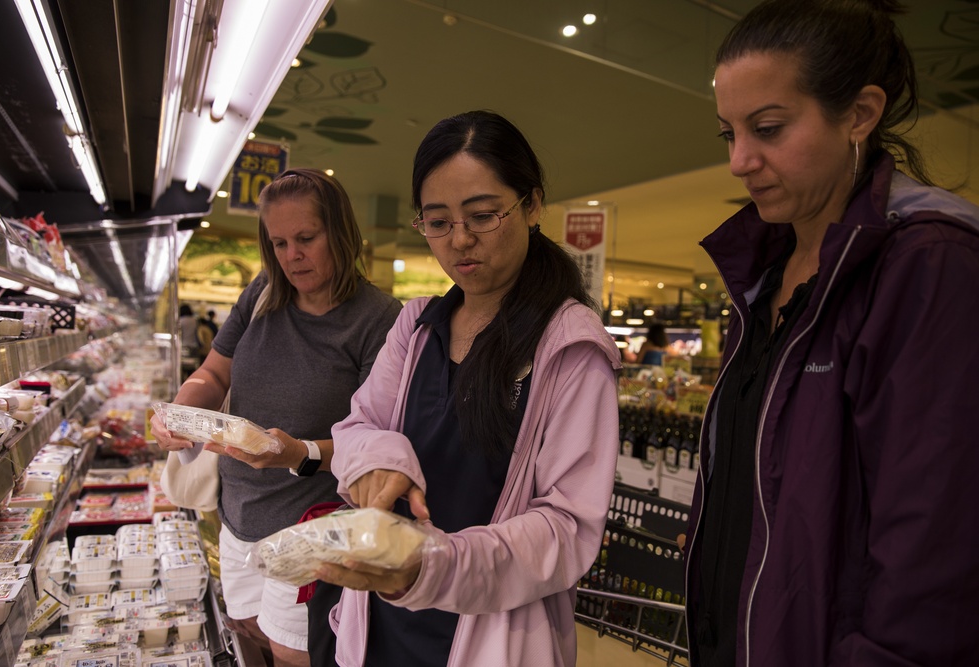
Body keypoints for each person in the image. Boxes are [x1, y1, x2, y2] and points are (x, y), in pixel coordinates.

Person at [684, 2, 979, 666]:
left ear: (861, 114)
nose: (738, 160)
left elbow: (933, 549)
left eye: (767, 128)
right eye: (727, 133)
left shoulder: (928, 265)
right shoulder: (759, 273)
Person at [315, 110, 622, 667]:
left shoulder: (570, 347)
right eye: (437, 222)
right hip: (384, 617)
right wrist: (380, 460)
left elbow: (567, 527)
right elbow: (357, 426)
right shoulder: (416, 326)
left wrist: (434, 564)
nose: (460, 241)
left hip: (492, 636)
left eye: (483, 216)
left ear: (531, 206)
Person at [151, 168, 402, 667]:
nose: (292, 256)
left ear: (342, 232)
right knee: (247, 634)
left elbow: (377, 443)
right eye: (280, 242)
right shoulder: (263, 292)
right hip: (237, 515)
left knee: (294, 653)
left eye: (307, 238)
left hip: (311, 528)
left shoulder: (380, 320)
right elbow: (213, 374)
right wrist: (182, 410)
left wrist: (296, 453)